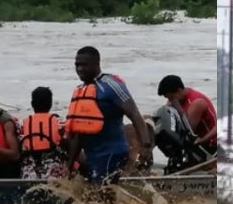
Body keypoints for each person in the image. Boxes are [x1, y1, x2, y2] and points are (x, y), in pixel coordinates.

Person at [65, 46, 152, 185]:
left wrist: (145, 147)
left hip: (111, 152)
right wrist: (71, 163)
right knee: (99, 198)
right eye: (77, 64)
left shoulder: (111, 85)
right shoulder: (81, 92)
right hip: (93, 155)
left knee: (100, 197)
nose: (80, 68)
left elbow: (134, 114)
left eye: (84, 64)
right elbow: (78, 132)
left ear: (96, 64)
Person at [157, 75, 218, 154]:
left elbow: (188, 131)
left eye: (171, 98)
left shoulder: (196, 103)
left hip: (209, 144)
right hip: (195, 143)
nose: (169, 101)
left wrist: (178, 108)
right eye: (168, 98)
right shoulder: (176, 99)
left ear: (179, 90)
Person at [20, 86, 67, 179]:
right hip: (53, 171)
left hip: (30, 172)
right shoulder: (58, 122)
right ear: (50, 104)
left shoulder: (23, 123)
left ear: (32, 104)